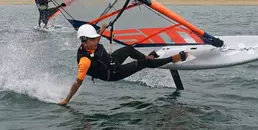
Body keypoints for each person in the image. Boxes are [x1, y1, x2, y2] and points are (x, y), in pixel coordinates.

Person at [58, 24, 188, 106]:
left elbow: (97, 39)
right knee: (143, 63)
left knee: (128, 49)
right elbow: (77, 83)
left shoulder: (91, 43)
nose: (95, 41)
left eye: (95, 38)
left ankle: (148, 57)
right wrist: (67, 100)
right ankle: (173, 58)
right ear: (83, 41)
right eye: (92, 39)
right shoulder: (85, 61)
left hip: (111, 61)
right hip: (113, 73)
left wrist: (101, 30)